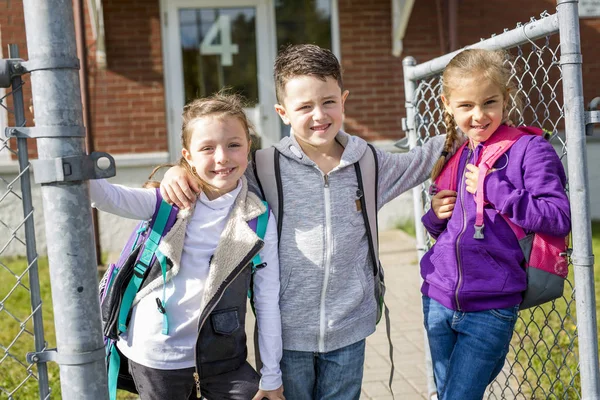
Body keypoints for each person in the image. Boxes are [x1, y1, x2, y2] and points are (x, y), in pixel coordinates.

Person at [160, 44, 448, 400]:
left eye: (328, 102)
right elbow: (213, 176)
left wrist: (471, 124)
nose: (319, 115)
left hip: (350, 330)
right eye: (304, 107)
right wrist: (178, 170)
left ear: (343, 100)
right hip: (285, 334)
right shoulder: (263, 168)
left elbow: (423, 159)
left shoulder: (369, 163)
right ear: (283, 112)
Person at [90, 93, 285, 400]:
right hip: (156, 355)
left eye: (233, 144)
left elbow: (267, 298)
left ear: (249, 148)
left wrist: (271, 375)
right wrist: (66, 138)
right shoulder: (166, 201)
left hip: (222, 359)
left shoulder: (258, 219)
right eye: (207, 148)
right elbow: (106, 197)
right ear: (188, 156)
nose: (222, 157)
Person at [420, 48, 571, 400]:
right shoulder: (458, 153)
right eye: (466, 106)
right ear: (447, 104)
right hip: (438, 299)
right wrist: (434, 215)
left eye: (489, 102)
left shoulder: (530, 150)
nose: (478, 115)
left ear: (506, 99)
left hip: (491, 305)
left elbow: (558, 217)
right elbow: (446, 231)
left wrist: (496, 189)